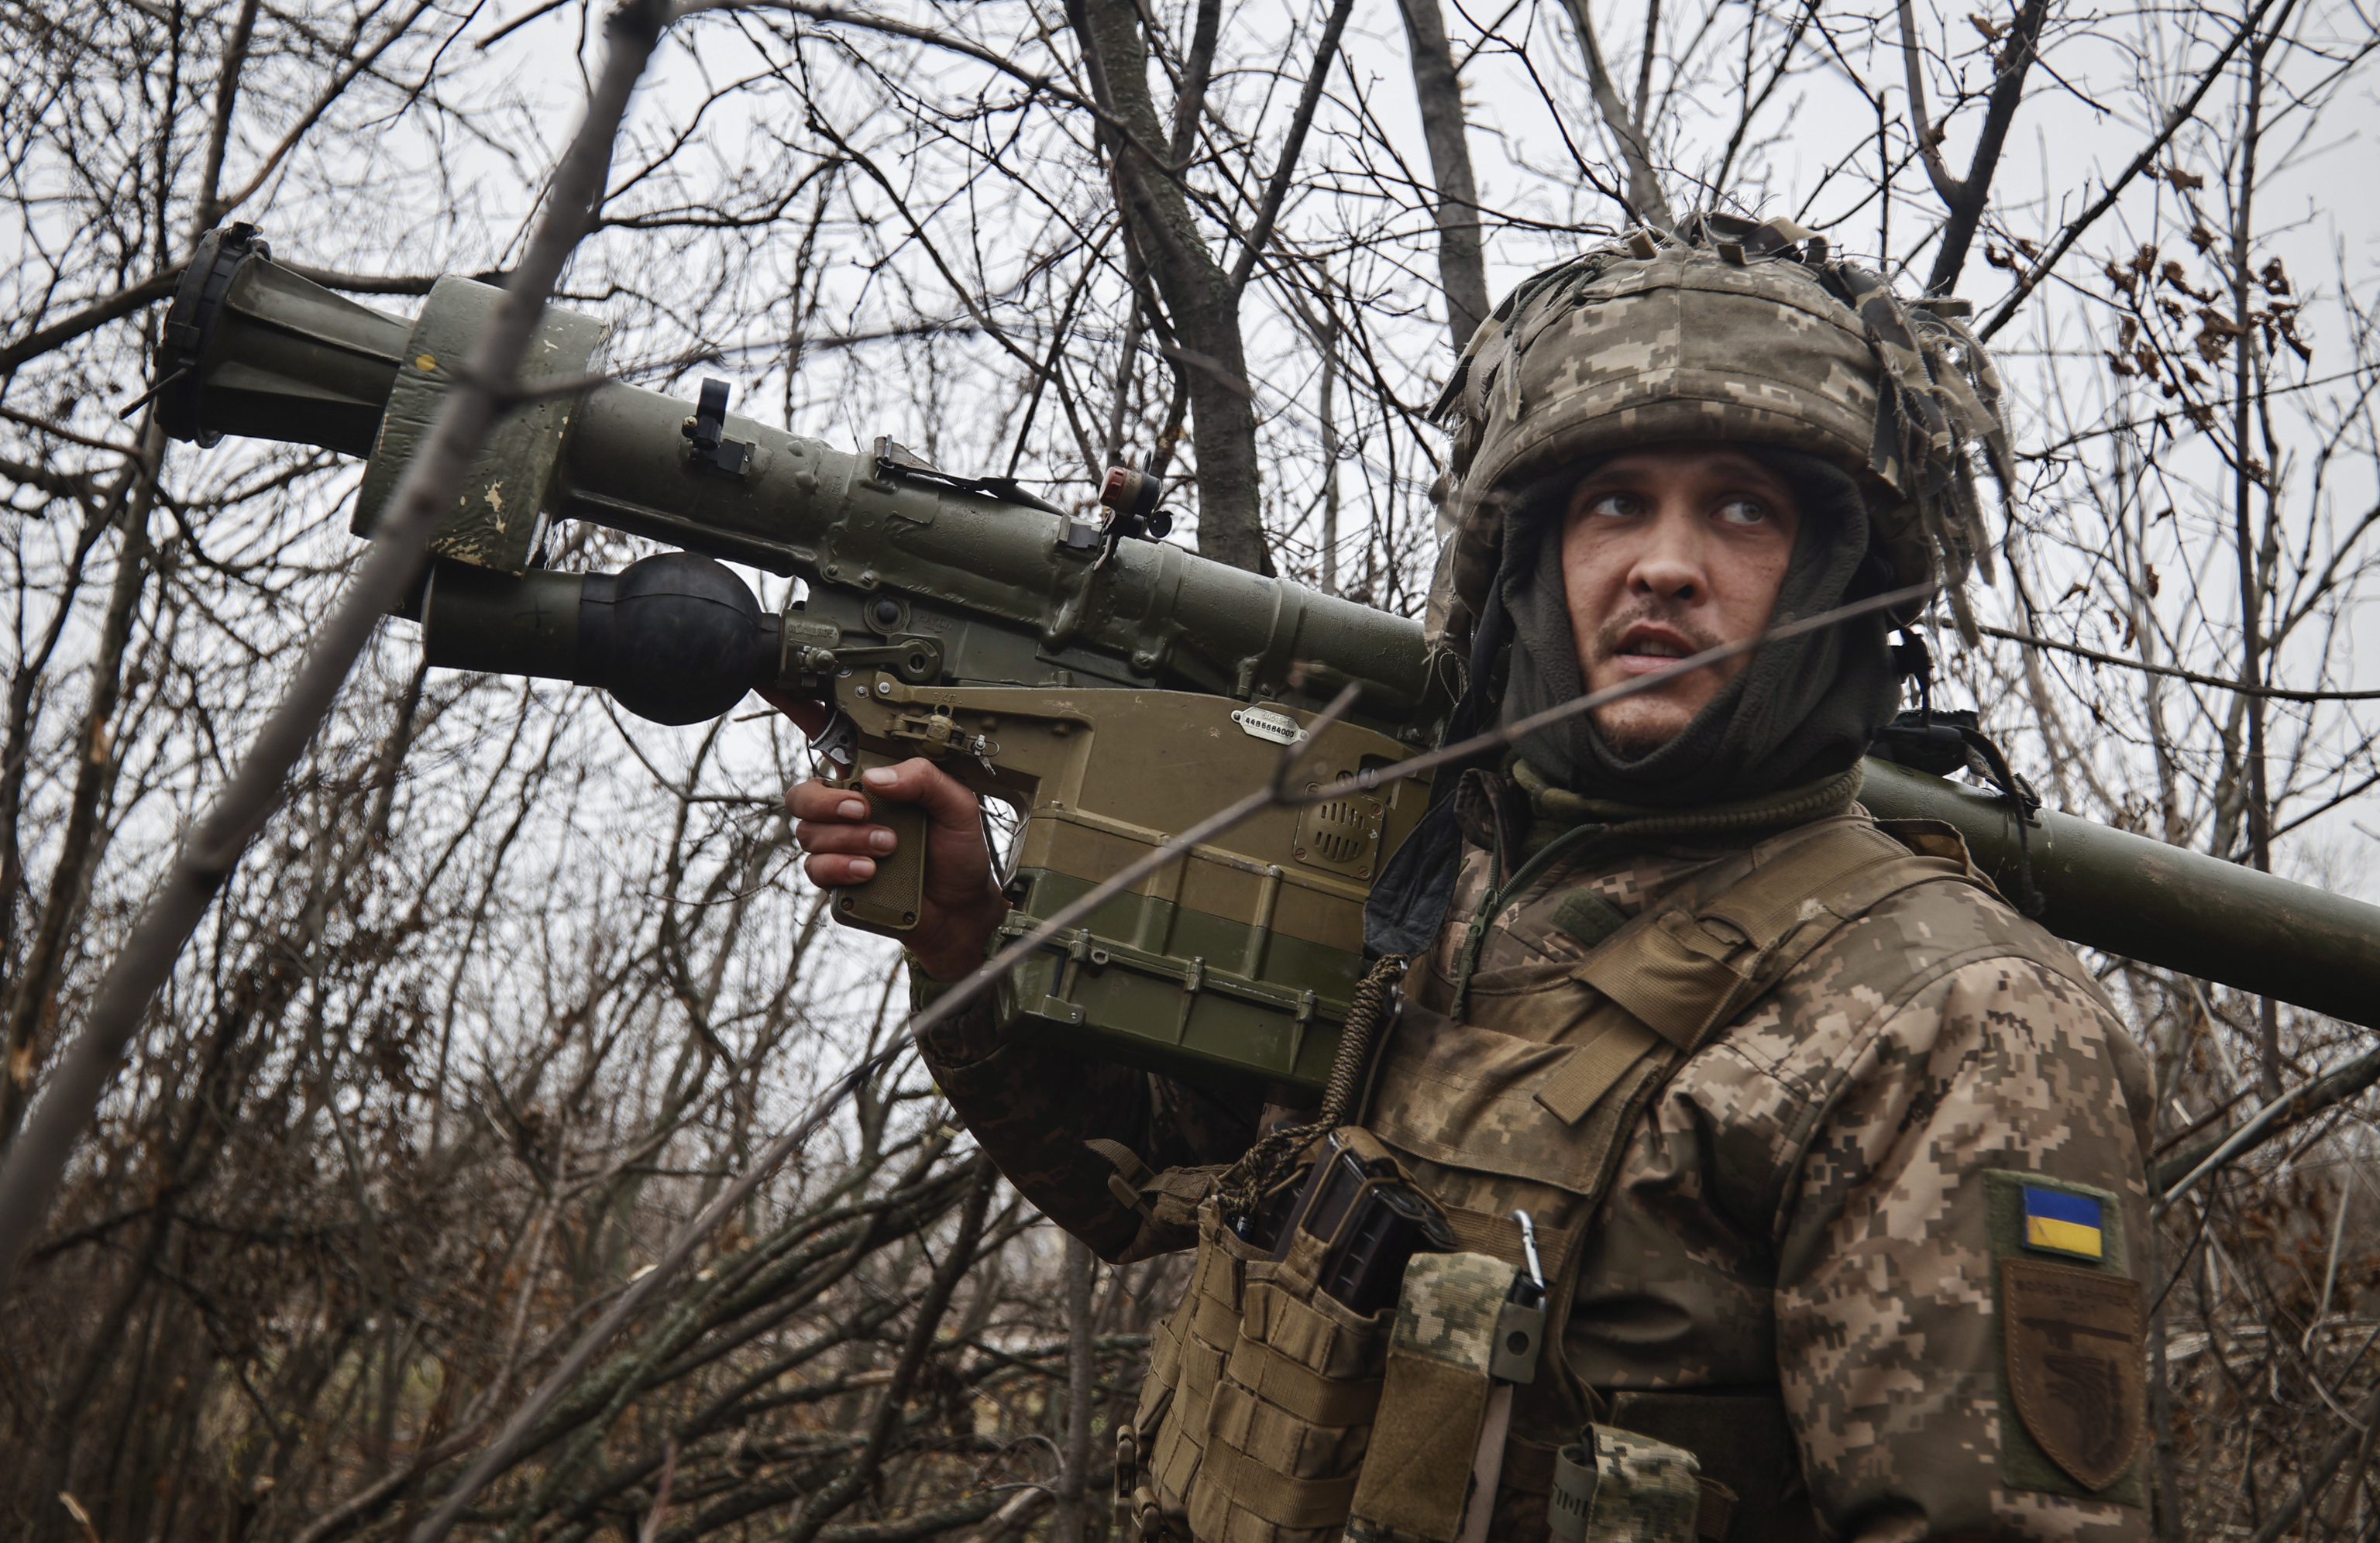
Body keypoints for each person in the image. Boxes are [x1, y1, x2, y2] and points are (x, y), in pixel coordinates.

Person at [779, 215, 2155, 1542]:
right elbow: (1148, 1183)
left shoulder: (1957, 1017)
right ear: (1533, 559)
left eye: (1741, 510)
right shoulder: (1437, 870)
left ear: (1836, 576)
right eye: (1617, 501)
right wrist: (967, 934)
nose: (1664, 566)